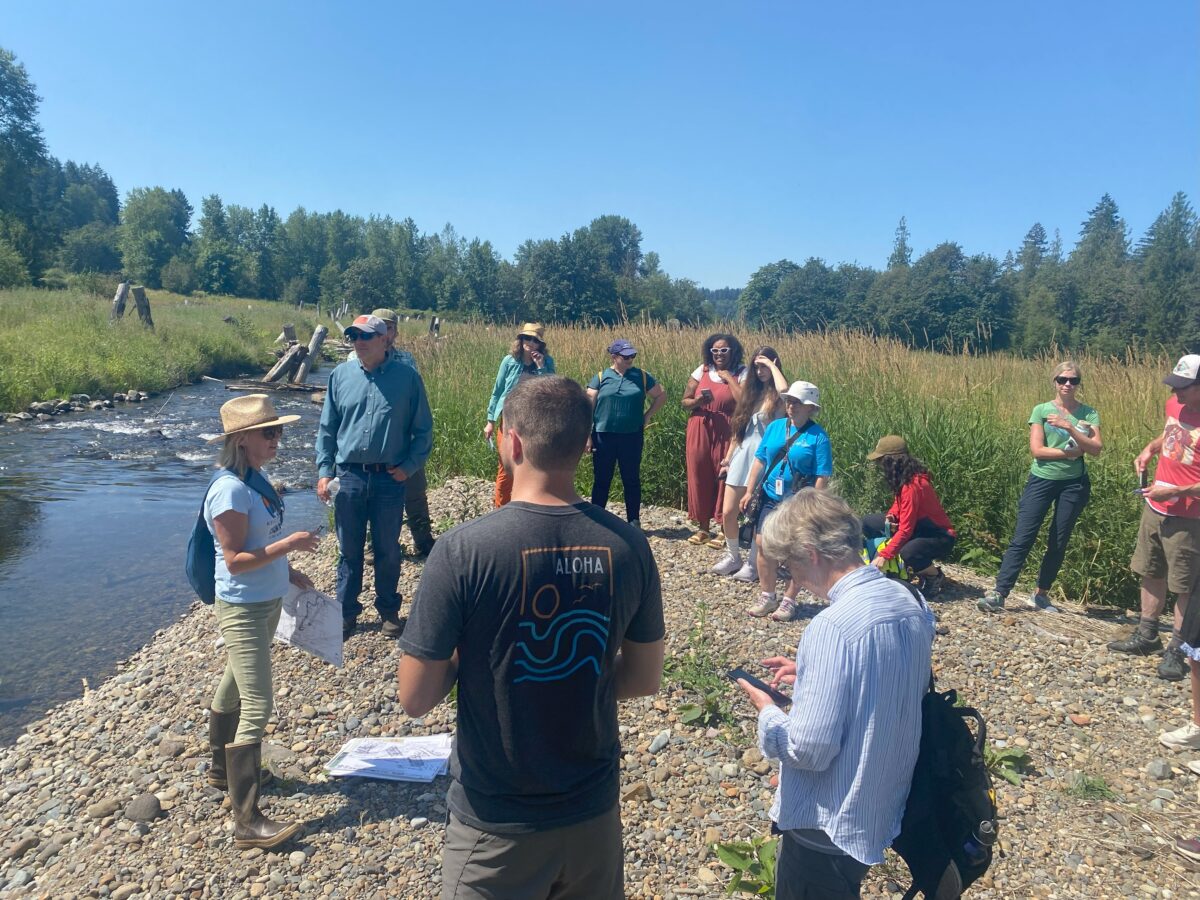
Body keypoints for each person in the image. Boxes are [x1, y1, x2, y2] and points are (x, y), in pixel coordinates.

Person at [397, 376, 665, 900]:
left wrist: (468, 657)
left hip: (497, 821)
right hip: (592, 815)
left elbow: (415, 697)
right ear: (586, 444)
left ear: (511, 442)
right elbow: (643, 677)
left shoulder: (463, 550)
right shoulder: (630, 546)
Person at [735, 488, 934, 900]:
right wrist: (810, 673)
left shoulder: (831, 627)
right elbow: (886, 680)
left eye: (788, 564)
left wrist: (768, 712)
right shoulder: (909, 601)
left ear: (810, 552)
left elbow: (809, 749)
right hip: (882, 802)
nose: (792, 577)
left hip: (828, 821)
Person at [204, 393, 319, 849]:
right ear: (241, 439)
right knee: (258, 702)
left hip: (264, 599)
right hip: (242, 606)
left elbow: (261, 539)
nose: (278, 439)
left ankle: (220, 771)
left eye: (279, 430)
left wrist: (287, 572)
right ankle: (247, 820)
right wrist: (288, 547)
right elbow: (233, 560)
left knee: (232, 687)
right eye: (269, 432)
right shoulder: (229, 488)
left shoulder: (255, 479)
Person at [316, 314, 433, 640]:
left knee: (387, 549)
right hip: (349, 477)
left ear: (385, 339)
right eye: (354, 335)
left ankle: (388, 611)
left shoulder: (407, 378)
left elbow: (423, 431)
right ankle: (346, 612)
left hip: (388, 480)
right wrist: (325, 472)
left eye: (366, 336)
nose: (359, 341)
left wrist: (409, 467)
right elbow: (327, 429)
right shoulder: (340, 375)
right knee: (349, 551)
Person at [978, 361, 1102, 614]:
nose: (1068, 384)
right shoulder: (1042, 410)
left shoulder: (1088, 414)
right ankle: (1000, 592)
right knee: (1023, 536)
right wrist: (1071, 452)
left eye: (1073, 380)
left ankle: (1041, 594)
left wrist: (1069, 427)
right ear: (1054, 381)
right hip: (1042, 479)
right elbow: (1037, 450)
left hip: (1074, 483)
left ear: (1079, 384)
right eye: (1062, 379)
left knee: (1059, 539)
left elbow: (1096, 449)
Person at [1111, 354, 1200, 691]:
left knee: (1184, 585)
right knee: (1151, 569)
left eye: (1184, 387)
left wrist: (1177, 490)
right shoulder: (1174, 405)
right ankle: (1147, 633)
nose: (1176, 393)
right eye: (1174, 386)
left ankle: (1178, 648)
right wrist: (1149, 449)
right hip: (1156, 505)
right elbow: (1173, 436)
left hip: (1189, 517)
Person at [739, 381, 833, 622]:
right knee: (762, 544)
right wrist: (749, 491)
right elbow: (760, 459)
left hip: (797, 502)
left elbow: (823, 474)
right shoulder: (776, 427)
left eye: (797, 402)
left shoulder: (818, 437)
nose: (790, 406)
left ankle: (789, 599)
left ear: (810, 408)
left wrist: (814, 506)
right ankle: (767, 595)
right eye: (789, 401)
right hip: (770, 495)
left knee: (795, 553)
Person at [712, 348, 788, 580]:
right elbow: (738, 430)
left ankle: (753, 564)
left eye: (764, 366)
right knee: (728, 512)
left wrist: (772, 366)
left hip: (764, 459)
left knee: (757, 513)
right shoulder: (750, 394)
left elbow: (785, 390)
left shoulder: (779, 398)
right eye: (757, 366)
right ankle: (733, 556)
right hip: (742, 455)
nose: (760, 371)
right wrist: (727, 457)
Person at [371, 308, 436, 556]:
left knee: (416, 493)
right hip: (374, 443)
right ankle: (373, 544)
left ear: (395, 332)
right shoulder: (355, 361)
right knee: (373, 498)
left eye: (388, 327)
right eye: (379, 327)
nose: (383, 333)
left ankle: (423, 540)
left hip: (406, 439)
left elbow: (417, 401)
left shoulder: (407, 360)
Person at [586, 338, 667, 530]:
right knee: (602, 478)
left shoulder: (642, 376)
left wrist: (647, 416)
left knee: (631, 478)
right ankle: (597, 519)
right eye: (626, 356)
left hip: (631, 435)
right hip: (603, 435)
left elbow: (661, 396)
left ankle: (634, 520)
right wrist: (586, 434)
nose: (630, 359)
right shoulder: (600, 376)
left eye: (633, 355)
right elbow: (588, 405)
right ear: (614, 357)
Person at [861, 435, 956, 596]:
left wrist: (885, 555)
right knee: (866, 522)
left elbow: (906, 529)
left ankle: (934, 575)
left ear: (892, 461)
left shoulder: (912, 486)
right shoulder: (905, 478)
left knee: (908, 553)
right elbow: (899, 504)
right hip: (919, 528)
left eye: (880, 461)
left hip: (939, 536)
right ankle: (896, 568)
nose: (879, 465)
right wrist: (891, 515)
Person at [683, 333, 746, 546]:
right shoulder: (702, 370)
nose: (718, 354)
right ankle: (702, 527)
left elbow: (744, 402)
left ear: (733, 351)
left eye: (724, 350)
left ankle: (722, 527)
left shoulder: (742, 372)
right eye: (715, 350)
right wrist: (698, 400)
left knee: (724, 474)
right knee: (699, 473)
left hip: (727, 429)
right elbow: (685, 401)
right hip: (700, 426)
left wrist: (728, 377)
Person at [484, 322, 555, 507]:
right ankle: (501, 509)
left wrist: (540, 367)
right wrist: (490, 421)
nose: (530, 342)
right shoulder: (509, 361)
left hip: (533, 422)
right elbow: (497, 390)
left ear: (540, 344)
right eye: (527, 338)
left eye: (535, 340)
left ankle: (523, 506)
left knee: (531, 467)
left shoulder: (547, 362)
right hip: (508, 420)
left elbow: (551, 389)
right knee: (506, 468)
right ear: (521, 339)